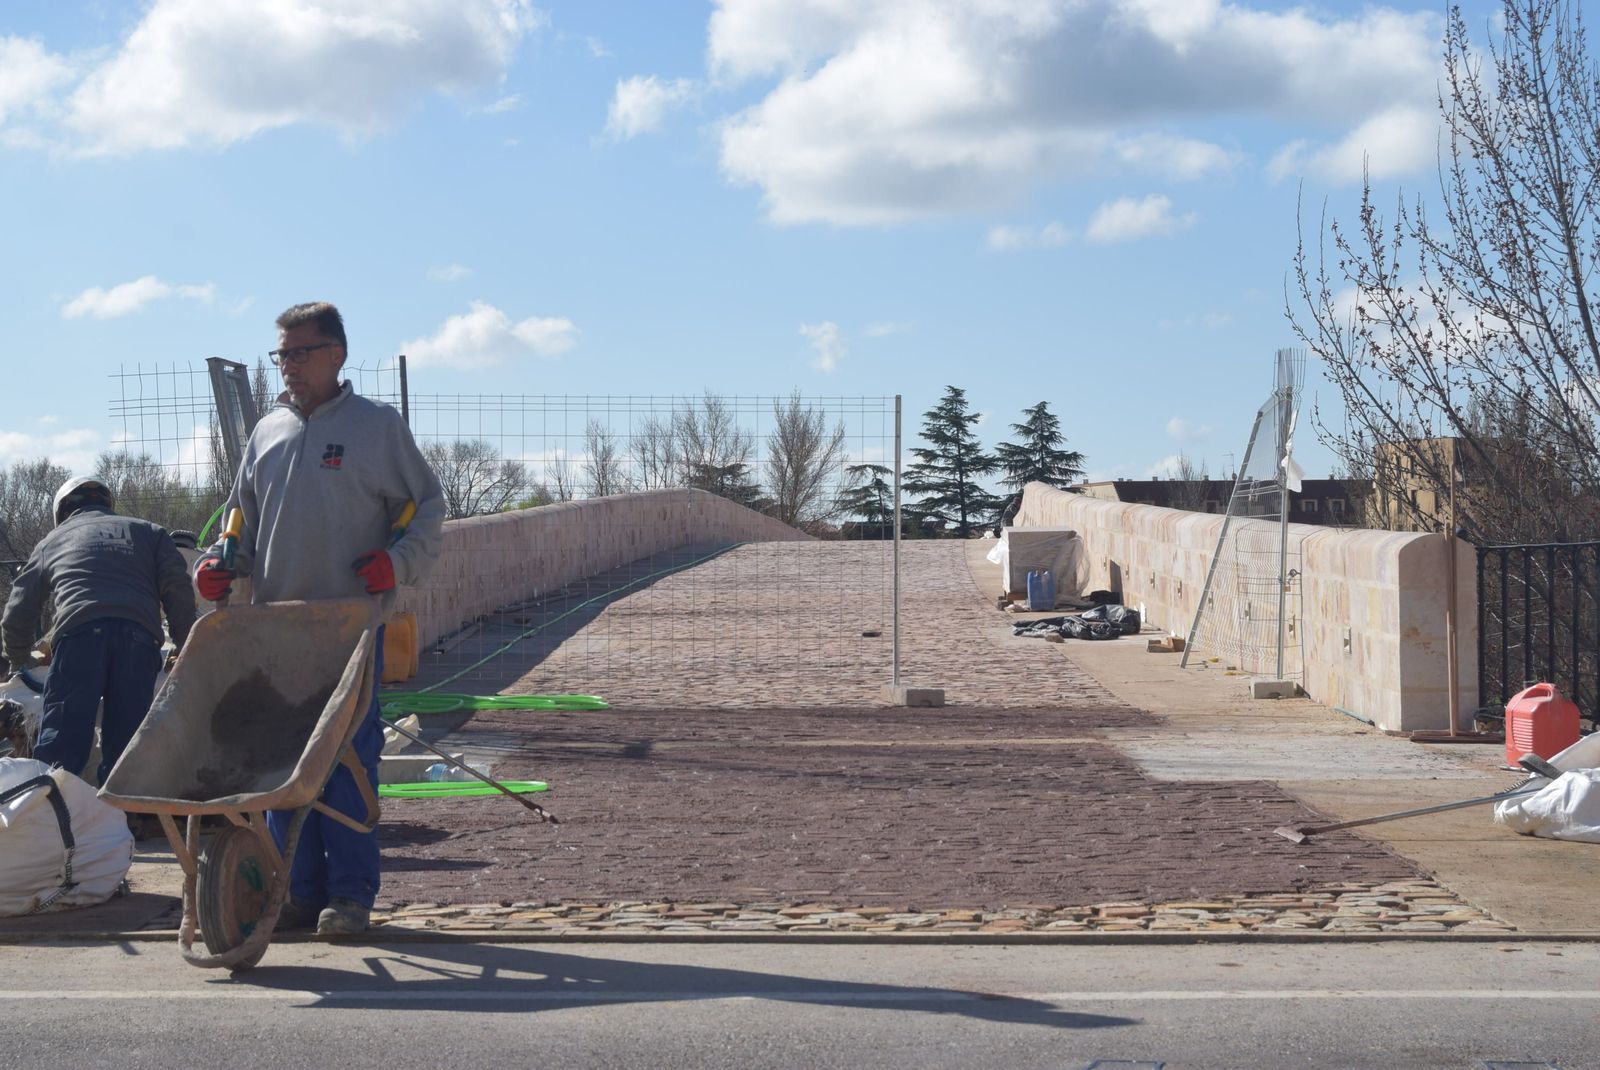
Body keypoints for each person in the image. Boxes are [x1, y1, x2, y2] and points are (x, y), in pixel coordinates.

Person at [194, 301, 444, 936]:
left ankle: (350, 896)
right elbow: (238, 525)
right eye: (281, 354)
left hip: (349, 630)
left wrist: (397, 563)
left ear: (337, 354)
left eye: (300, 353)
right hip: (274, 632)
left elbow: (427, 505)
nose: (288, 366)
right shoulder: (265, 433)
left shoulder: (376, 427)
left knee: (347, 762)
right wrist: (217, 566)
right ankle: (295, 893)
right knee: (281, 764)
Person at [1, 477, 196, 783]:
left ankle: (52, 808)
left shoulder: (54, 539)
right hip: (140, 640)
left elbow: (19, 608)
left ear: (62, 512)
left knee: (60, 751)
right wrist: (187, 647)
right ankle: (121, 810)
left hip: (79, 639)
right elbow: (178, 590)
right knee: (127, 755)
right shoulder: (150, 532)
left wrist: (19, 659)